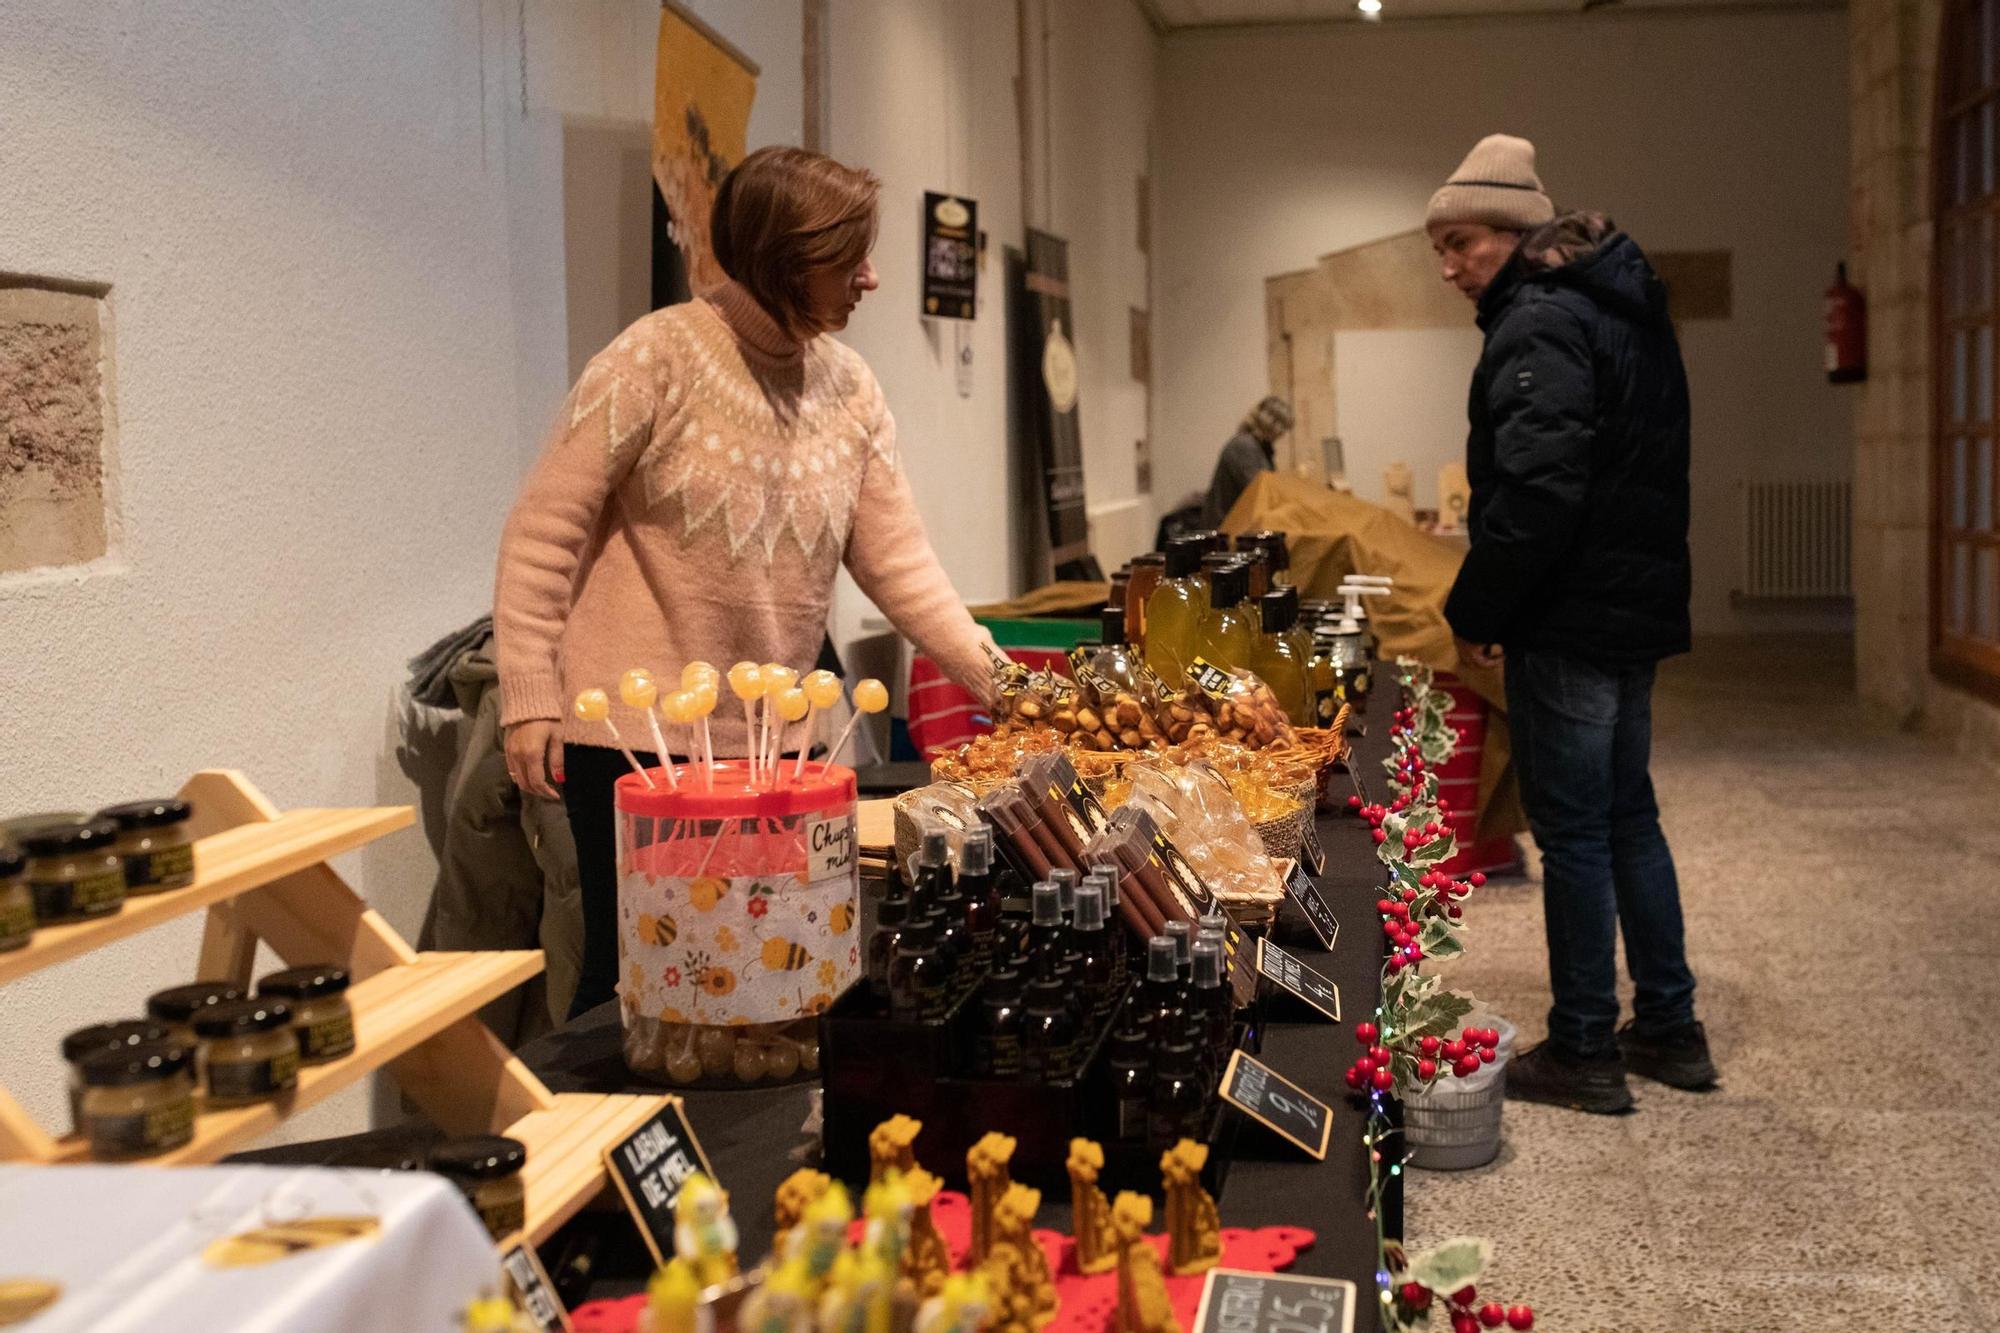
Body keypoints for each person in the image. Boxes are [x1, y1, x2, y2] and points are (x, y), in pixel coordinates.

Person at [495, 146, 995, 1019]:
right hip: (635, 745)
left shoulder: (851, 388)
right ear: (784, 259)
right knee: (637, 987)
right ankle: (612, 1149)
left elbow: (900, 563)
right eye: (850, 260)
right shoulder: (652, 358)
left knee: (775, 975)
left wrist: (1004, 681)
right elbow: (544, 531)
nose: (870, 280)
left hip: (778, 752)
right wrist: (530, 692)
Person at [1427, 134, 1712, 1113]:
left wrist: (1475, 609)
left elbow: (1539, 493)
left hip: (1571, 616)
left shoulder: (1538, 324)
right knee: (1627, 814)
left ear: (1510, 233)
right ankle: (1669, 1027)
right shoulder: (1617, 308)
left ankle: (1585, 1045)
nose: (1449, 266)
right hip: (1629, 606)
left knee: (1576, 832)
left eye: (1459, 243)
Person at [1200, 395, 1294, 528]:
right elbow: (1259, 490)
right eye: (1283, 428)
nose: (1283, 434)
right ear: (1271, 424)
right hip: (1226, 528)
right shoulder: (1245, 446)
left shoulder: (1258, 446)